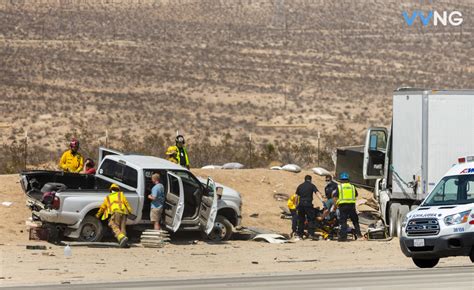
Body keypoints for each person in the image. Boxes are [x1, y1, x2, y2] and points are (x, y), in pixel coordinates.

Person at [95, 183, 133, 248]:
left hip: (116, 212)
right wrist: (130, 211)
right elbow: (126, 203)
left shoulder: (108, 197)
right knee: (122, 228)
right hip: (124, 213)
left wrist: (97, 215)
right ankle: (124, 243)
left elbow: (102, 207)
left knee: (113, 225)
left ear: (110, 190)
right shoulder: (121, 195)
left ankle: (121, 238)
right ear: (118, 190)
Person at [334, 172, 363, 241]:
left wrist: (335, 205)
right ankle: (359, 235)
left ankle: (343, 237)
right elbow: (356, 194)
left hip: (343, 206)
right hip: (351, 205)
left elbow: (335, 197)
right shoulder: (352, 187)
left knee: (343, 221)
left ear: (341, 180)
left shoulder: (339, 187)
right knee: (355, 220)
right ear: (348, 179)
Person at [295, 175, 323, 240]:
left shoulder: (300, 186)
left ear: (304, 179)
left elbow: (296, 196)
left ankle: (300, 235)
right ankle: (311, 234)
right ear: (310, 179)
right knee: (311, 219)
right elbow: (317, 193)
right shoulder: (312, 185)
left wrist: (296, 205)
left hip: (301, 205)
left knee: (301, 220)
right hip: (308, 204)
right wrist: (321, 200)